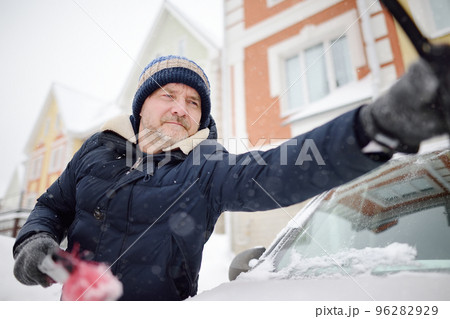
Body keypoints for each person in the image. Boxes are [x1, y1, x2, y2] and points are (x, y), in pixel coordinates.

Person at [13, 54, 449, 300]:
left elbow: (278, 170)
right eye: (168, 95)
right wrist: (34, 239)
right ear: (141, 106)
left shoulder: (205, 166)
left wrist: (376, 130)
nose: (181, 109)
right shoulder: (96, 151)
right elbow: (52, 205)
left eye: (193, 103)